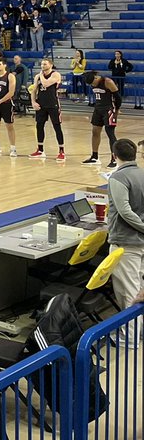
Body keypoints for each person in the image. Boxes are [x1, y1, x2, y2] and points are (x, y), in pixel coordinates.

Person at [106, 139, 144, 310]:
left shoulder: (118, 178)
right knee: (140, 291)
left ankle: (130, 329)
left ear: (114, 156)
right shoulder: (142, 173)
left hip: (126, 243)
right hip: (140, 242)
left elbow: (125, 211)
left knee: (129, 295)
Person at [30, 57, 65, 162]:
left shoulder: (55, 74)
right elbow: (33, 90)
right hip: (41, 104)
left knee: (57, 127)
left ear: (51, 65)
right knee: (39, 126)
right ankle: (40, 150)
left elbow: (46, 83)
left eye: (45, 64)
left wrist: (40, 75)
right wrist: (33, 102)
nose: (42, 66)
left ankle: (61, 151)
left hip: (53, 104)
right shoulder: (37, 76)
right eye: (41, 64)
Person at [83, 70, 120, 166]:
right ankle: (94, 157)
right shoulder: (92, 82)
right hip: (98, 109)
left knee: (110, 133)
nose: (93, 85)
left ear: (96, 78)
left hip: (109, 109)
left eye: (93, 83)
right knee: (95, 132)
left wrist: (116, 111)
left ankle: (114, 159)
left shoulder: (108, 82)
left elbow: (118, 98)